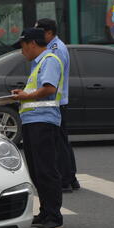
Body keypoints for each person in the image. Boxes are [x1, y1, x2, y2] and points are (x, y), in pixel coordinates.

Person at [11, 27, 64, 228]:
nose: (22, 51)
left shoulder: (49, 60)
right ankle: (45, 212)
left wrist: (25, 96)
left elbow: (49, 89)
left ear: (32, 43)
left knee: (46, 170)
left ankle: (54, 216)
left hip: (44, 122)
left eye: (22, 46)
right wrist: (24, 93)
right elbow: (39, 89)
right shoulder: (39, 63)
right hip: (34, 122)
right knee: (36, 170)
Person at [35, 18, 81, 192]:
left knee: (58, 143)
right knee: (62, 141)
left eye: (39, 32)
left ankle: (65, 180)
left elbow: (53, 80)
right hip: (58, 101)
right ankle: (71, 177)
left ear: (48, 33)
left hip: (55, 101)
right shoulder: (56, 46)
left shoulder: (56, 50)